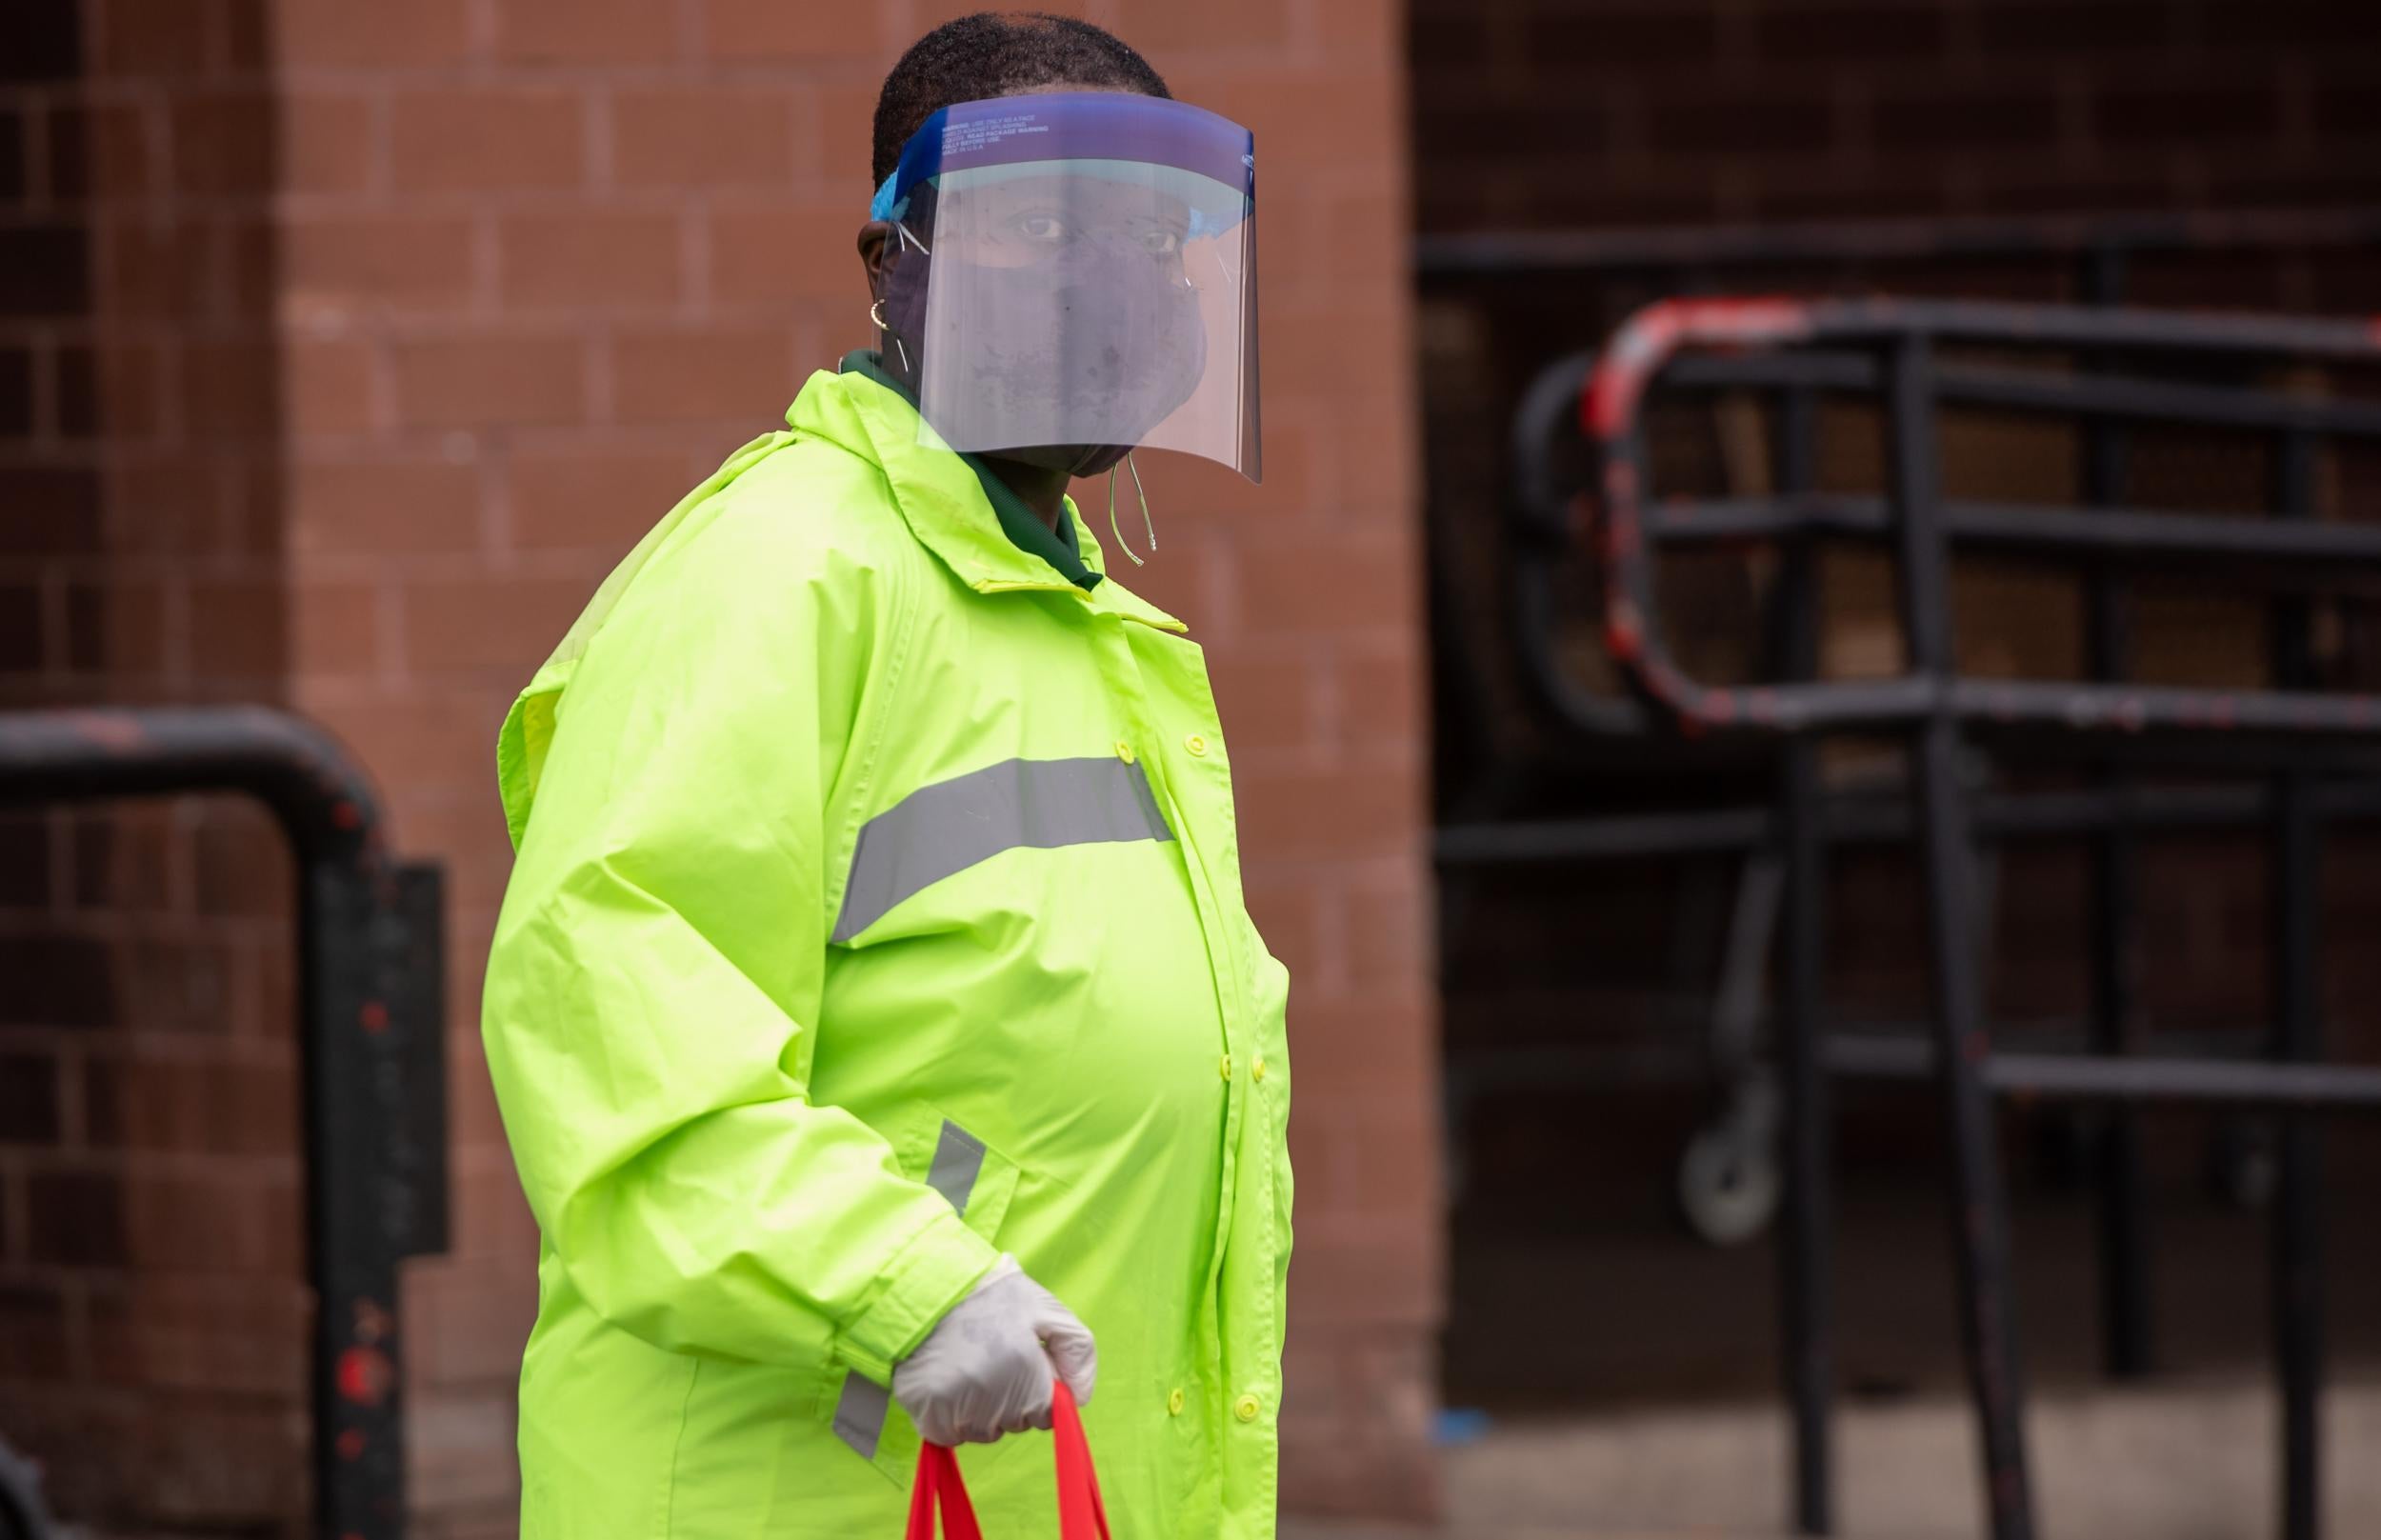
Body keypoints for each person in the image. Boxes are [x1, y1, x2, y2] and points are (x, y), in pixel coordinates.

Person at [480, 12, 1289, 1538]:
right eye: (1047, 225)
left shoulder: (1083, 627)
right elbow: (616, 1001)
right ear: (891, 261)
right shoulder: (784, 573)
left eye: (1154, 236)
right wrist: (904, 1284)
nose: (1112, 281)